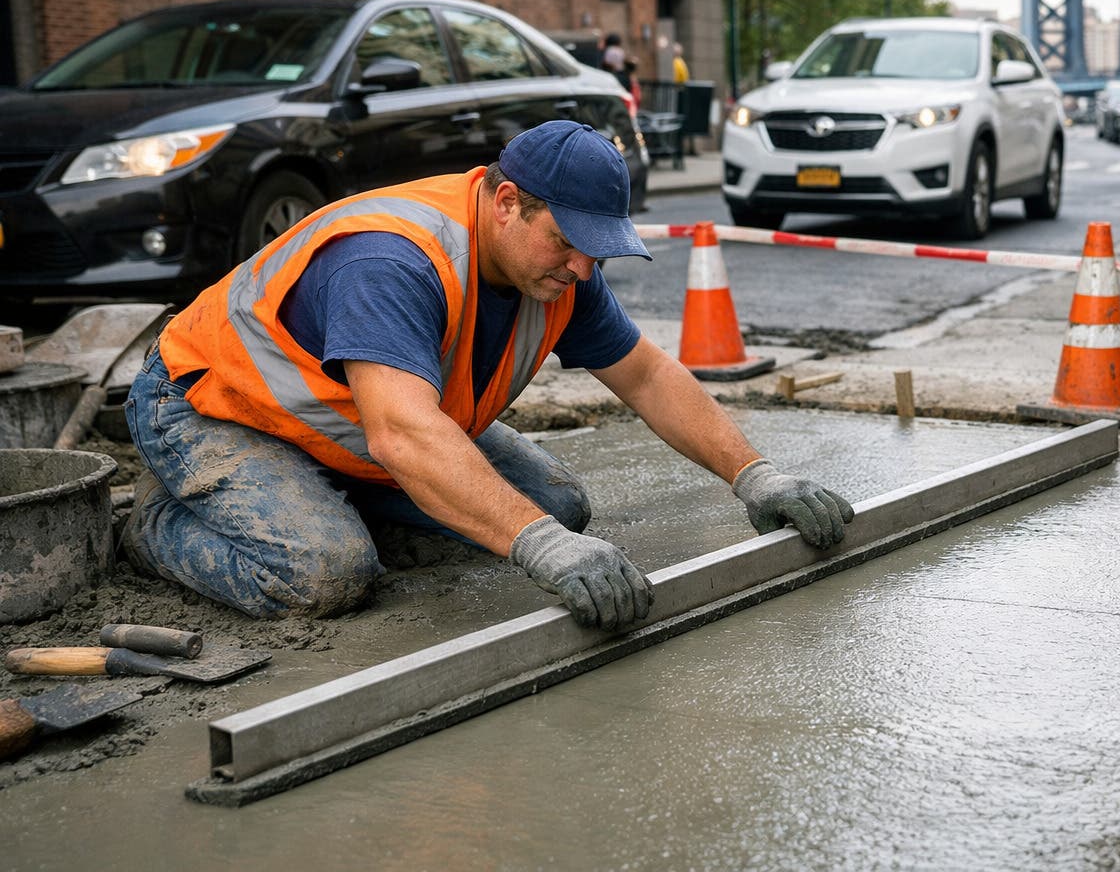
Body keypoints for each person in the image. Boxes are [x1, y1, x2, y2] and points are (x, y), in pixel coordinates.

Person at [122, 121, 854, 627]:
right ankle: (152, 529)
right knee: (324, 575)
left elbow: (648, 376)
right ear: (507, 203)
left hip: (346, 428)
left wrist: (755, 475)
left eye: (598, 251)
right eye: (569, 243)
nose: (584, 268)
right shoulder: (391, 261)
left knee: (556, 506)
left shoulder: (562, 269)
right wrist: (535, 545)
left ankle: (328, 499)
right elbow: (405, 434)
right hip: (211, 407)